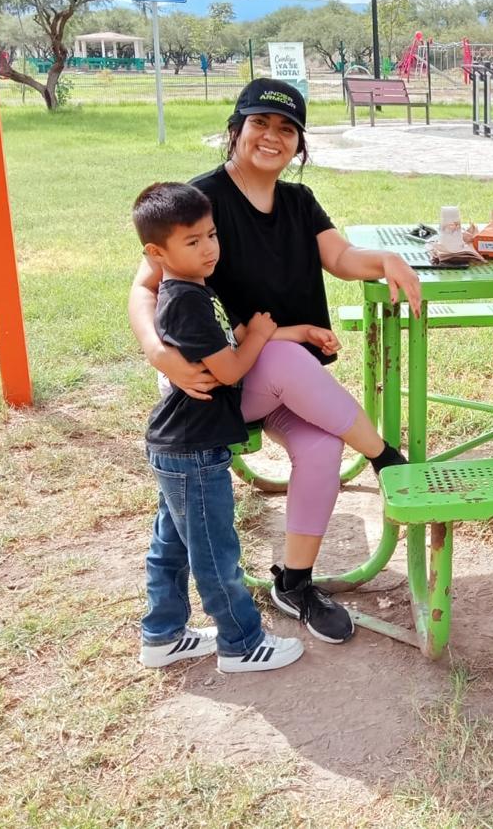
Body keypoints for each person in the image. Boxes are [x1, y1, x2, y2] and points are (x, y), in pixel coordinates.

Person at [128, 78, 421, 645]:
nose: (272, 136)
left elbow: (340, 256)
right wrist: (160, 355)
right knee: (285, 356)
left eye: (287, 128)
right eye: (259, 123)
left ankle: (295, 581)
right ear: (235, 129)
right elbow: (144, 286)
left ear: (298, 143)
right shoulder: (201, 201)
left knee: (322, 447)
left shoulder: (298, 201)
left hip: (271, 379)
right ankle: (386, 457)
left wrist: (386, 259)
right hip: (215, 385)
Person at [132, 182, 304, 674]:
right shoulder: (184, 301)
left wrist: (266, 334)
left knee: (172, 546)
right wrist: (259, 337)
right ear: (156, 253)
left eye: (211, 235)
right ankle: (241, 642)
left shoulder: (191, 289)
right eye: (193, 241)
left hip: (178, 445)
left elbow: (223, 345)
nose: (209, 248)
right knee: (214, 552)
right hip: (193, 449)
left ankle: (163, 635)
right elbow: (228, 370)